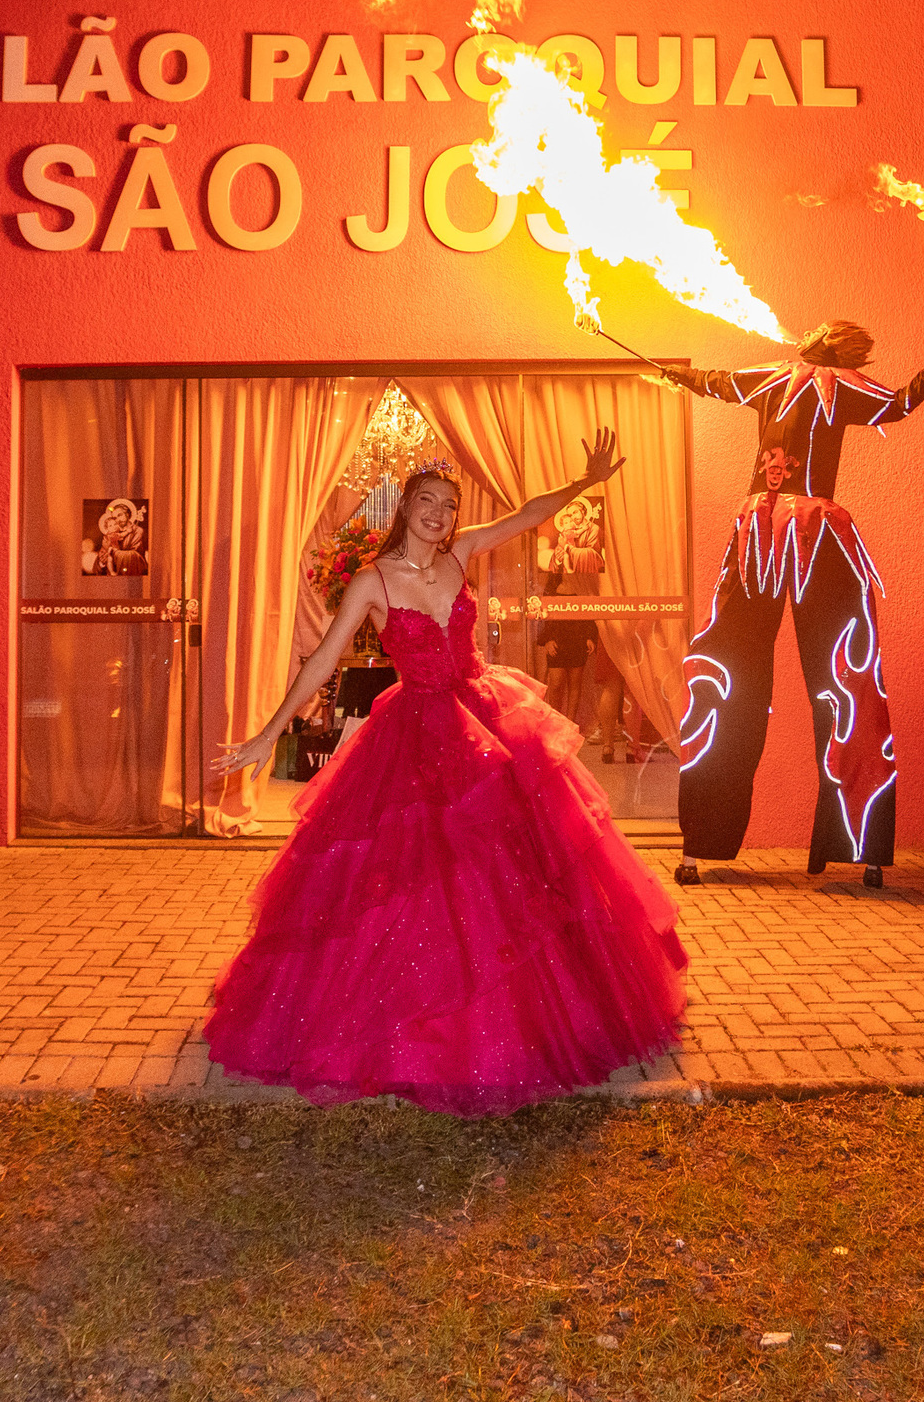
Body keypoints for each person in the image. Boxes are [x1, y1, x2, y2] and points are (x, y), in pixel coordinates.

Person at [204, 433, 688, 1116]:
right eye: (427, 502)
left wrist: (585, 482)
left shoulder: (462, 554)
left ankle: (538, 1017)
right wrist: (268, 731)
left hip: (489, 722)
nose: (439, 514)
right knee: (419, 880)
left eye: (449, 506)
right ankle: (415, 1030)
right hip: (415, 732)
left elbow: (527, 514)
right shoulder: (372, 581)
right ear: (405, 509)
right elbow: (322, 660)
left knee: (521, 869)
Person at [664, 322, 924, 890]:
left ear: (827, 343)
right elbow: (900, 403)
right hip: (804, 533)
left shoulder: (798, 380)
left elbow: (715, 381)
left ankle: (706, 841)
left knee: (737, 672)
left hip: (769, 534)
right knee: (841, 678)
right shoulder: (809, 382)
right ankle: (858, 844)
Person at [538, 571, 596, 726]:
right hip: (557, 641)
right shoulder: (551, 588)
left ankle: (570, 723)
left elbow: (590, 611)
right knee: (556, 684)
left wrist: (590, 637)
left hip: (578, 639)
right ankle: (555, 722)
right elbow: (542, 614)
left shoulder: (583, 587)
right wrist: (547, 640)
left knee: (575, 684)